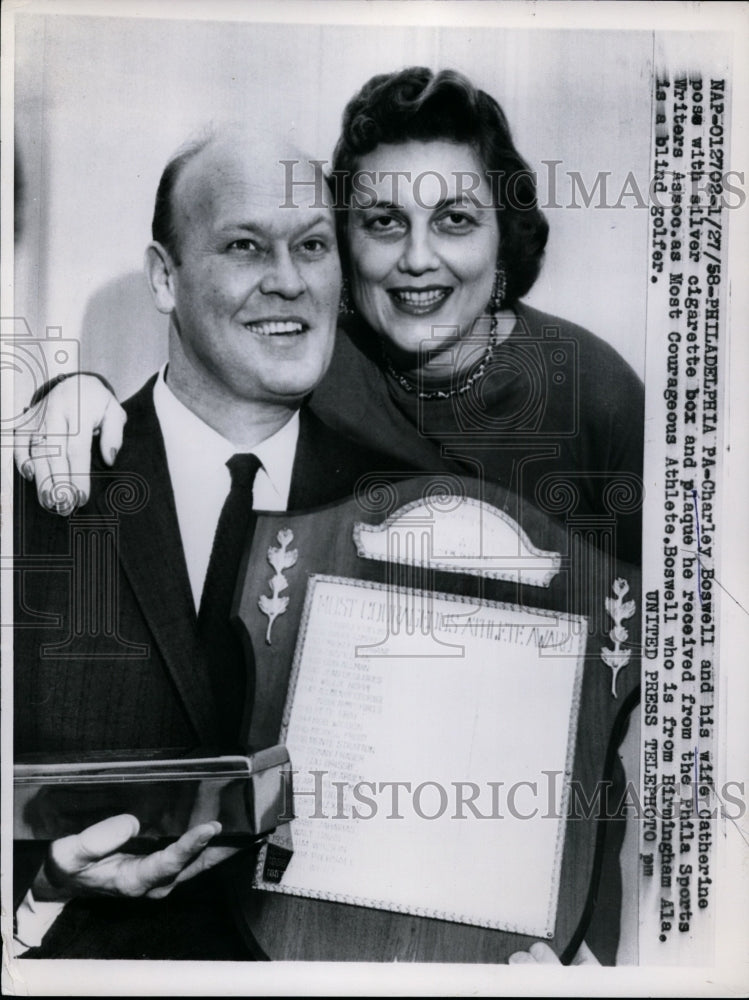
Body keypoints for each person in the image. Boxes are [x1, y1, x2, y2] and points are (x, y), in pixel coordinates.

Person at [15, 67, 643, 963]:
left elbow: (586, 708)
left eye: (309, 247)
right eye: (243, 246)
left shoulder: (535, 432)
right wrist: (67, 391)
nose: (416, 259)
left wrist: (571, 939)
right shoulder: (62, 480)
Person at [12, 125, 408, 960]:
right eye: (243, 245)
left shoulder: (405, 514)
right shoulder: (41, 492)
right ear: (165, 277)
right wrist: (43, 884)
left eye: (311, 246)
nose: (289, 281)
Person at [16, 67, 644, 568]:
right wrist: (75, 391)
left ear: (502, 236)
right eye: (383, 222)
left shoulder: (596, 394)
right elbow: (179, 401)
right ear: (344, 244)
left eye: (455, 220)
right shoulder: (309, 355)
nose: (418, 260)